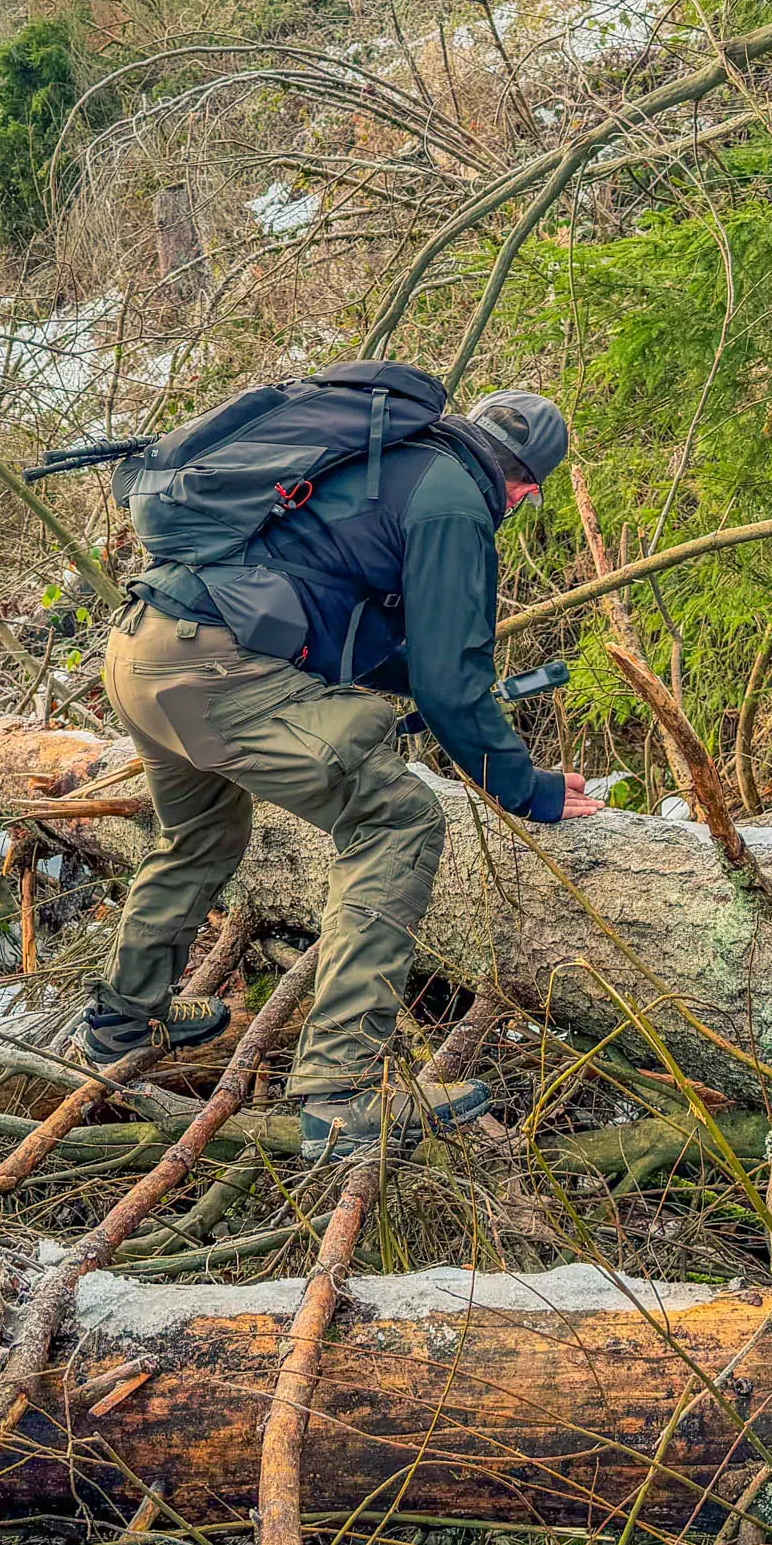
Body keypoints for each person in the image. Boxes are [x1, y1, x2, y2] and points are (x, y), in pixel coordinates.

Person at [79, 386, 600, 1158]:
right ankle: (341, 1092)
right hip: (216, 671)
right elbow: (448, 681)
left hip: (139, 649)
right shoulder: (455, 503)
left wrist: (440, 692)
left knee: (202, 832)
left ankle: (125, 1017)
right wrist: (528, 790)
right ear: (523, 490)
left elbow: (366, 634)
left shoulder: (382, 456)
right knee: (397, 818)